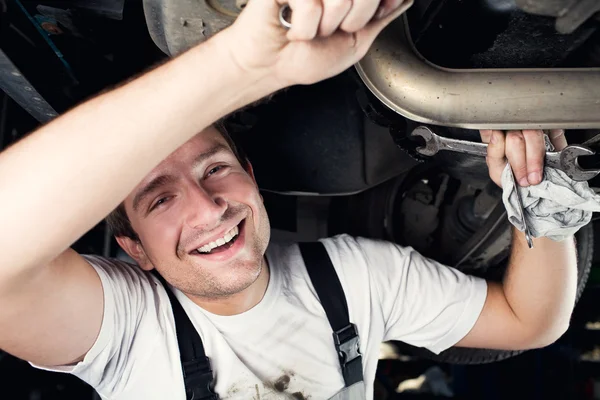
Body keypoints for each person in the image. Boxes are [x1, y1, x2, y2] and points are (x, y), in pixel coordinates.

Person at [0, 0, 578, 399]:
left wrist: (542, 197)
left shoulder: (354, 277)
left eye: (216, 169)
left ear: (251, 175)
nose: (208, 209)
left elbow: (528, 321)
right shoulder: (128, 330)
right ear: (134, 248)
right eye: (158, 200)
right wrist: (237, 67)